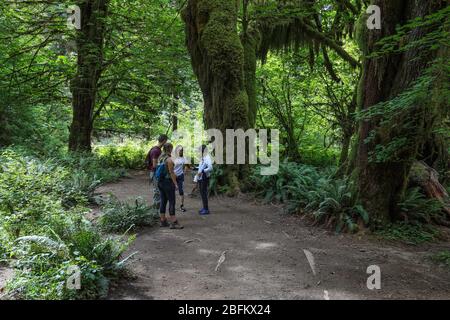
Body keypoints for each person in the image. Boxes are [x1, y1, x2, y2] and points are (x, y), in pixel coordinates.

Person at [157, 143, 184, 229]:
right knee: (172, 201)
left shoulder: (160, 158)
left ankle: (163, 220)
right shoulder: (169, 160)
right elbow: (171, 173)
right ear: (170, 149)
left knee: (163, 201)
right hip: (168, 183)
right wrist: (175, 183)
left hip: (160, 182)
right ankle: (174, 222)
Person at [145, 134, 168, 209]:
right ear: (164, 141)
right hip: (155, 173)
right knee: (157, 191)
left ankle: (157, 209)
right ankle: (156, 210)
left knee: (159, 190)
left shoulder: (157, 149)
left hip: (156, 173)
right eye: (166, 141)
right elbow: (155, 165)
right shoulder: (156, 150)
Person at [196, 144, 213, 215]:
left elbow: (210, 168)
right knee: (202, 193)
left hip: (204, 177)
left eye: (200, 151)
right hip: (201, 177)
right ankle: (204, 207)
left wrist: (202, 171)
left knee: (204, 193)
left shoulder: (207, 157)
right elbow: (202, 166)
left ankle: (206, 209)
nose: (199, 152)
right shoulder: (203, 157)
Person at [174, 145, 187, 212]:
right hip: (173, 177)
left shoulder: (183, 158)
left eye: (181, 150)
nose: (180, 151)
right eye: (179, 150)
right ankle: (172, 206)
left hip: (180, 176)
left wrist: (184, 171)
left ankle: (181, 206)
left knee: (181, 191)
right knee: (171, 191)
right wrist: (173, 175)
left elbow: (186, 166)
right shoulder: (173, 158)